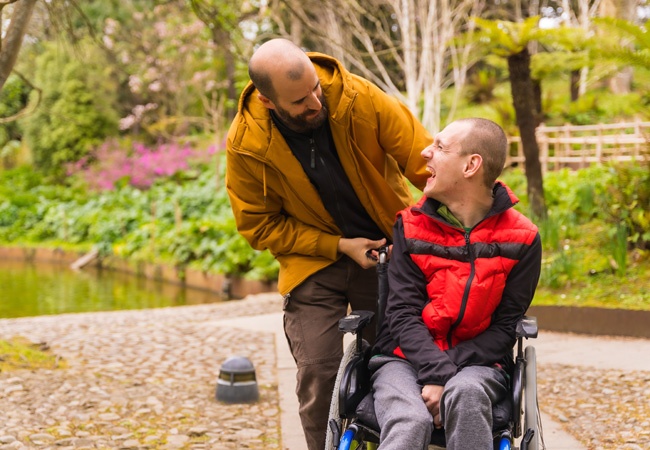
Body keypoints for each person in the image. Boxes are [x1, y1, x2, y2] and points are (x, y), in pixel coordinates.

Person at [225, 38, 432, 450]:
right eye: (300, 101)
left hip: (386, 251)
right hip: (313, 261)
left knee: (396, 364)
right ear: (268, 101)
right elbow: (258, 227)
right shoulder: (246, 145)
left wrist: (473, 215)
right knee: (319, 371)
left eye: (316, 88)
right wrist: (337, 245)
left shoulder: (359, 98)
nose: (316, 103)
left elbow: (427, 162)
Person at [370, 117, 542, 449]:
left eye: (439, 147)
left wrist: (447, 374)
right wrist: (437, 373)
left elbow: (506, 327)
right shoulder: (410, 226)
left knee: (466, 393)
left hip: (479, 365)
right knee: (410, 418)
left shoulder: (523, 239)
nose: (424, 153)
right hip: (402, 358)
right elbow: (402, 314)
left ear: (471, 165)